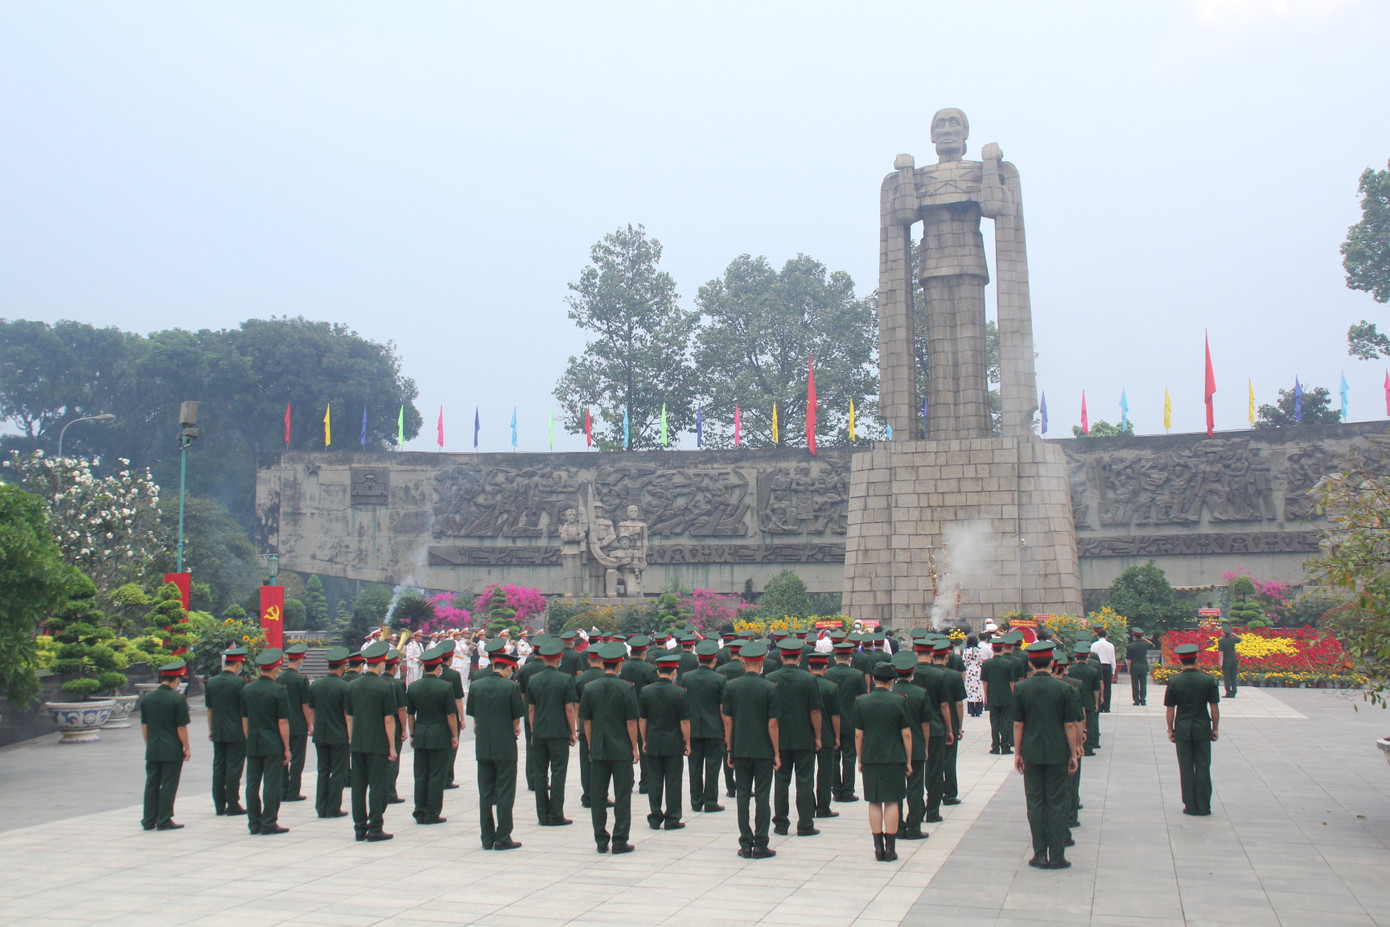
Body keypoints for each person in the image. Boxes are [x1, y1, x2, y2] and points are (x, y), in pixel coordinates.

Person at [1013, 641, 1082, 870]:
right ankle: (1058, 855)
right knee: (1057, 802)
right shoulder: (1065, 688)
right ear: (1052, 663)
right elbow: (1070, 724)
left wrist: (1018, 753)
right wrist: (1073, 753)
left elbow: (1018, 724)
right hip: (1058, 752)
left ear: (1031, 664)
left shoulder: (1021, 688)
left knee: (1035, 802)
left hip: (1031, 752)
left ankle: (1040, 854)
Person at [581, 642, 640, 854]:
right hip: (621, 748)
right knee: (622, 795)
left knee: (598, 796)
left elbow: (587, 722)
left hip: (598, 748)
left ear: (603, 663)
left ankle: (600, 839)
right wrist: (634, 748)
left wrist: (591, 746)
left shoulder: (590, 688)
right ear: (620, 664)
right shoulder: (627, 688)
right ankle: (620, 840)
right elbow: (631, 722)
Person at [723, 640, 780, 859]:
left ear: (743, 663)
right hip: (763, 749)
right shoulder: (770, 687)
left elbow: (728, 721)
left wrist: (730, 749)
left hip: (740, 748)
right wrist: (776, 752)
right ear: (762, 663)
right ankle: (762, 842)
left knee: (743, 796)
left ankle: (745, 843)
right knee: (763, 796)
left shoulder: (731, 687)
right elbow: (772, 724)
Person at [467, 639, 524, 849]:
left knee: (485, 793)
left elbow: (474, 715)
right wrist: (515, 728)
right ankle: (503, 836)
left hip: (483, 745)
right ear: (508, 668)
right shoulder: (511, 687)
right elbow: (516, 718)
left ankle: (486, 837)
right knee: (505, 792)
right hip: (505, 745)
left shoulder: (476, 686)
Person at [853, 663, 913, 862]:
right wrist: (908, 760)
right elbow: (906, 734)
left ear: (874, 679)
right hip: (894, 756)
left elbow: (859, 734)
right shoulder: (900, 701)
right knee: (892, 801)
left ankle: (878, 848)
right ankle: (891, 849)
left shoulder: (861, 702)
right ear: (892, 681)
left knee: (874, 801)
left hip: (871, 756)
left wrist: (860, 758)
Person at [767, 639, 823, 838]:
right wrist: (818, 737)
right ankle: (805, 824)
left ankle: (781, 824)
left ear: (782, 657)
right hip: (803, 736)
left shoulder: (770, 678)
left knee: (781, 781)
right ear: (800, 657)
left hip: (779, 738)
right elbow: (815, 711)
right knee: (805, 781)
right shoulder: (809, 679)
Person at [346, 640, 399, 842]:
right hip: (378, 744)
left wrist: (352, 741)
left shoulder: (352, 686)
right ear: (382, 664)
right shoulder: (385, 687)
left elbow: (349, 717)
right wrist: (392, 746)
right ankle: (375, 826)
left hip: (358, 743)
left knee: (358, 788)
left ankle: (359, 828)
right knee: (377, 787)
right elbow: (388, 719)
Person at [527, 638, 579, 827]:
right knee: (558, 772)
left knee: (540, 773)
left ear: (543, 658)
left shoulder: (533, 680)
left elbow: (531, 709)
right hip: (559, 732)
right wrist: (573, 731)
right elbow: (569, 708)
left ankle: (542, 814)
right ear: (559, 658)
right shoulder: (565, 679)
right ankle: (556, 813)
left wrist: (533, 731)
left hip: (540, 731)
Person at [1165, 642, 1221, 816]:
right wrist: (1215, 728)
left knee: (1186, 768)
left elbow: (1170, 709)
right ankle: (1204, 806)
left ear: (1180, 661)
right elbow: (1214, 707)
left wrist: (1170, 730)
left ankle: (1190, 805)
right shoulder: (1208, 680)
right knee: (1203, 767)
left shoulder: (1174, 681)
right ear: (1196, 659)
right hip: (1202, 728)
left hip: (1182, 729)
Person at [407, 643, 459, 825]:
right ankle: (432, 812)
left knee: (421, 774)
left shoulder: (413, 687)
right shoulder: (445, 687)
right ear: (438, 667)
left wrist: (412, 734)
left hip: (421, 734)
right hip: (439, 735)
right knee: (437, 775)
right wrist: (454, 736)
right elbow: (451, 715)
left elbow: (410, 715)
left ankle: (419, 809)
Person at [243, 648, 291, 836]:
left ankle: (254, 823)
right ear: (276, 669)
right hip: (272, 743)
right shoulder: (278, 690)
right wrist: (286, 747)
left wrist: (249, 739)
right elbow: (282, 721)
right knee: (271, 784)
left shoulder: (247, 689)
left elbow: (244, 719)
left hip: (253, 742)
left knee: (252, 784)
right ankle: (269, 822)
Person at [641, 651, 690, 830]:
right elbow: (684, 721)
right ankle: (672, 818)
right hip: (673, 742)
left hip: (653, 741)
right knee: (673, 781)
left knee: (654, 780)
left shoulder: (646, 691)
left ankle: (655, 816)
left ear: (658, 671)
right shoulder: (680, 693)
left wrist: (644, 740)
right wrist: (688, 742)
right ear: (674, 672)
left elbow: (643, 719)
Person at [141, 659, 191, 831]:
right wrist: (186, 747)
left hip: (153, 746)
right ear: (176, 679)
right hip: (171, 748)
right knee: (169, 783)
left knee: (152, 783)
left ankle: (148, 819)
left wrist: (149, 743)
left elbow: (145, 726)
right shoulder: (177, 700)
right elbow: (181, 727)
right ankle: (164, 819)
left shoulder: (148, 698)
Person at [682, 640, 727, 814]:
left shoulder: (686, 678)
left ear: (698, 659)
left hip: (692, 729)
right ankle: (710, 801)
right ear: (714, 660)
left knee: (694, 766)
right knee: (713, 766)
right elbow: (722, 708)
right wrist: (726, 729)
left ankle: (695, 801)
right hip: (713, 728)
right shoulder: (719, 679)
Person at [891, 651, 932, 840]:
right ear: (913, 671)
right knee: (915, 787)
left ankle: (898, 827)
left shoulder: (891, 693)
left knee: (896, 789)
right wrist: (925, 746)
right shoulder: (921, 693)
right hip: (915, 746)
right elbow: (925, 724)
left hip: (894, 748)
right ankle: (914, 826)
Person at [308, 646, 352, 818]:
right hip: (339, 735)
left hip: (321, 734)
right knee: (338, 772)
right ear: (343, 668)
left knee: (323, 771)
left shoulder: (316, 685)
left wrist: (315, 727)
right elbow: (347, 715)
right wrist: (350, 737)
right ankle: (333, 807)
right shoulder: (345, 687)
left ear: (328, 666)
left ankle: (321, 806)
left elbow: (312, 711)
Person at [204, 646, 247, 817]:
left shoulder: (212, 682)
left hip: (218, 731)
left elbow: (210, 709)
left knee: (219, 767)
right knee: (234, 768)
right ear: (238, 664)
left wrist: (211, 730)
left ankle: (219, 804)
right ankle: (233, 803)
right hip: (236, 731)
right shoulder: (239, 683)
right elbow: (244, 711)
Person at [826, 639, 867, 802]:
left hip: (831, 722)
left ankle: (836, 790)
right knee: (849, 757)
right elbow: (861, 698)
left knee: (834, 758)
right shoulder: (857, 675)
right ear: (850, 658)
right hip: (851, 720)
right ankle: (848, 790)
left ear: (835, 658)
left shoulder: (828, 674)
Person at [932, 638, 967, 806]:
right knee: (949, 760)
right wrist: (958, 727)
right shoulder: (954, 676)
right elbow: (959, 704)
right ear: (947, 657)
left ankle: (934, 793)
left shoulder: (924, 674)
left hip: (930, 722)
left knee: (932, 761)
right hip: (950, 721)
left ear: (932, 657)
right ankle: (950, 794)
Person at [807, 651, 841, 820]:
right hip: (827, 735)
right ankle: (823, 807)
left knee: (807, 773)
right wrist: (837, 736)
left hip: (806, 734)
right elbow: (835, 715)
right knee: (825, 772)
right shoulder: (831, 687)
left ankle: (808, 805)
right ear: (825, 668)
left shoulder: (804, 685)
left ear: (809, 667)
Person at [277, 642, 312, 801]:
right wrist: (309, 724)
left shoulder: (279, 678)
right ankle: (293, 791)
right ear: (299, 661)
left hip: (282, 724)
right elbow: (305, 705)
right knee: (297, 759)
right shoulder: (301, 680)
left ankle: (282, 789)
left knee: (283, 757)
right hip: (298, 724)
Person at [574, 646, 606, 809]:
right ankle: (601, 795)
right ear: (603, 660)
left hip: (585, 725)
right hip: (605, 726)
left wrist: (578, 727)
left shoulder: (579, 679)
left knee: (586, 761)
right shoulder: (607, 678)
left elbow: (576, 706)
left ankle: (588, 795)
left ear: (588, 660)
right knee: (603, 762)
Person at [436, 641, 466, 789]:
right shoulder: (454, 675)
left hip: (435, 713)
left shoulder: (429, 672)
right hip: (450, 714)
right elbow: (458, 699)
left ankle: (437, 776)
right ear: (450, 659)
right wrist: (462, 718)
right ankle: (447, 778)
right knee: (451, 746)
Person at [981, 638, 1016, 755]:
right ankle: (1005, 746)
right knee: (1006, 721)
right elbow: (1011, 682)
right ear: (1002, 648)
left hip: (992, 695)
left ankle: (995, 746)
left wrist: (986, 696)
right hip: (1006, 696)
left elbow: (985, 682)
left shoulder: (986, 664)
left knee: (994, 722)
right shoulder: (1008, 664)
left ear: (992, 648)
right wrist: (1013, 695)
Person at [1068, 645, 1102, 755]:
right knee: (1089, 725)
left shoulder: (1070, 670)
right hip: (1089, 700)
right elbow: (1096, 689)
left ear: (1076, 658)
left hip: (1074, 701)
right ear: (1087, 658)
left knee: (1075, 723)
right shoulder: (1093, 671)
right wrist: (1096, 702)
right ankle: (1088, 748)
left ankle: (1076, 745)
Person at [1090, 629, 1116, 713]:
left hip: (1097, 666)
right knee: (1107, 687)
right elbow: (1113, 659)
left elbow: (1091, 657)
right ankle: (1107, 707)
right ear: (1106, 636)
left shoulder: (1094, 645)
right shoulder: (1110, 645)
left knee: (1097, 686)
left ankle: (1099, 706)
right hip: (1107, 666)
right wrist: (1113, 671)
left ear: (1097, 636)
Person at [1126, 629, 1153, 706]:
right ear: (1141, 636)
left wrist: (1129, 668)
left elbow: (1129, 659)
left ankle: (1136, 700)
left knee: (1135, 684)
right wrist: (1144, 639)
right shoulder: (1145, 644)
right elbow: (1152, 644)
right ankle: (1143, 700)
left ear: (1134, 636)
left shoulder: (1130, 646)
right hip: (1143, 666)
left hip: (1134, 666)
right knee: (1143, 684)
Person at [963, 635, 985, 718]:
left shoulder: (966, 651)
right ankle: (978, 710)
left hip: (969, 671)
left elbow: (964, 661)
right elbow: (981, 661)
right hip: (978, 671)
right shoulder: (980, 651)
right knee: (979, 691)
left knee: (970, 692)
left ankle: (971, 711)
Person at [1218, 625, 1242, 698]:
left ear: (1224, 633)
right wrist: (1234, 634)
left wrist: (1220, 662)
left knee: (1227, 677)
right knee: (1233, 677)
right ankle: (1234, 692)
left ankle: (1228, 692)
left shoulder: (1221, 641)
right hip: (1234, 660)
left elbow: (1221, 652)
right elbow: (1240, 639)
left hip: (1226, 661)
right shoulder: (1233, 639)